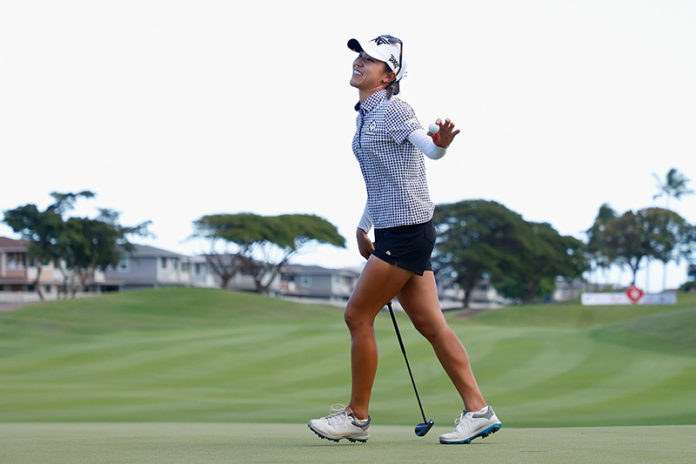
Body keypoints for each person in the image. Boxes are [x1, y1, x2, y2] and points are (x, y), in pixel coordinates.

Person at [308, 34, 502, 445]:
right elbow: (383, 181)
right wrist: (364, 225)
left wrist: (442, 145)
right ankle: (479, 411)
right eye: (359, 56)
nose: (359, 62)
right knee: (431, 324)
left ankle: (357, 418)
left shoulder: (395, 109)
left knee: (357, 315)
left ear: (389, 74)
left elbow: (429, 151)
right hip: (400, 230)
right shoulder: (365, 114)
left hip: (407, 232)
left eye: (370, 60)